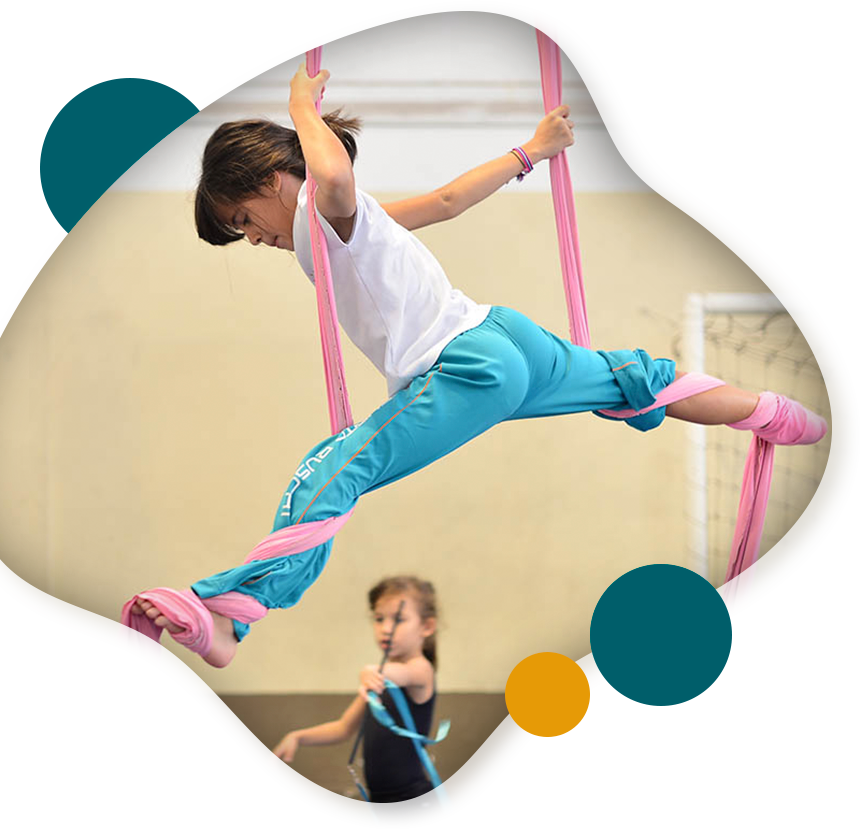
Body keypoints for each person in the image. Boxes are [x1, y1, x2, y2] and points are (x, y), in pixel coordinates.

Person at [131, 64, 826, 666]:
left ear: (271, 178)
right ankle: (770, 413)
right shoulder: (354, 219)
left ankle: (233, 615)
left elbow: (332, 171)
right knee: (631, 379)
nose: (253, 239)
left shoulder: (324, 205)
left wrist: (299, 107)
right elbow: (446, 202)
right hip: (507, 337)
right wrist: (531, 151)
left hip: (466, 368)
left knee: (333, 470)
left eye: (243, 218)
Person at [266, 576, 444, 828]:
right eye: (379, 618)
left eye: (398, 619)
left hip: (413, 805)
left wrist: (373, 672)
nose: (385, 628)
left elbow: (401, 674)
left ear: (427, 626)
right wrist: (298, 736)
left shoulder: (420, 670)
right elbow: (343, 728)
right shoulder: (380, 683)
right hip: (381, 803)